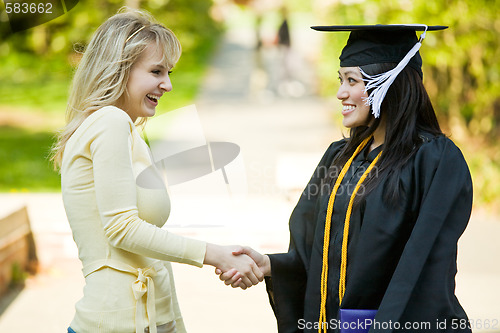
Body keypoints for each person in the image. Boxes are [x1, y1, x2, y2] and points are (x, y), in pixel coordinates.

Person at [219, 24, 473, 333]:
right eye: (341, 80)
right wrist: (271, 265)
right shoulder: (339, 156)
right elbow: (313, 247)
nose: (341, 93)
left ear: (388, 83)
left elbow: (423, 267)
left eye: (352, 80)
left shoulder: (434, 160)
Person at [50, 8, 263, 333]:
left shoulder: (130, 131)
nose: (167, 85)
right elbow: (122, 228)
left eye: (170, 72)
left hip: (150, 319)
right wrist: (215, 255)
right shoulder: (110, 122)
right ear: (119, 69)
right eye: (156, 71)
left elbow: (150, 255)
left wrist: (174, 325)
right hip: (114, 322)